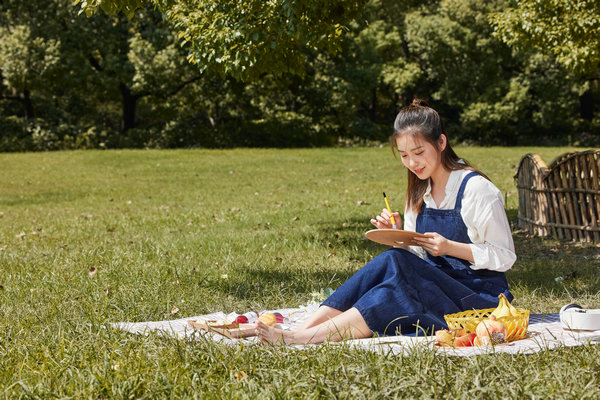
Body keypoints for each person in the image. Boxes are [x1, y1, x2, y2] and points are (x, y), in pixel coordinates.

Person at [257, 98, 516, 345]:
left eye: (418, 152)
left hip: (479, 301)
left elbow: (504, 256)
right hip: (436, 287)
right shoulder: (419, 191)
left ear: (441, 142)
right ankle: (302, 330)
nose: (412, 163)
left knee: (396, 293)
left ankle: (300, 338)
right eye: (404, 155)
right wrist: (398, 236)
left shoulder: (477, 190)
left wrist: (450, 247)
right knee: (393, 261)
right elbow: (416, 259)